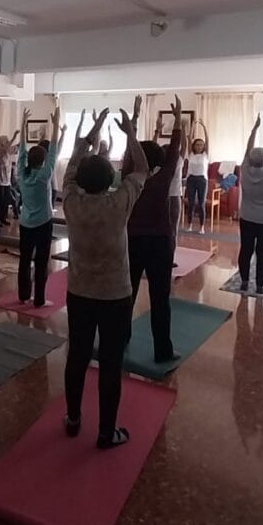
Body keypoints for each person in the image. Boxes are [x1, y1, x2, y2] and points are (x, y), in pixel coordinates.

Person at [62, 101, 148, 449]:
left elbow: (71, 163)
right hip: (114, 295)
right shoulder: (120, 202)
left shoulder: (70, 200)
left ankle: (73, 418)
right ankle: (105, 431)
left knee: (78, 356)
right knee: (111, 363)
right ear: (110, 179)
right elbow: (142, 168)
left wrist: (93, 130)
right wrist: (131, 134)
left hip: (79, 292)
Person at [127, 96, 184, 363]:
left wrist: (135, 120)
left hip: (132, 242)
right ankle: (162, 350)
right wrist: (177, 122)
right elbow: (174, 152)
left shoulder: (130, 179)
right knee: (160, 299)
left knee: (126, 294)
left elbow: (130, 152)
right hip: (158, 244)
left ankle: (120, 340)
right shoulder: (162, 180)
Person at [14, 106, 62, 307]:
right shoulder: (44, 176)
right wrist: (56, 123)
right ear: (43, 161)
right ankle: (39, 299)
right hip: (42, 224)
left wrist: (23, 124)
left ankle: (24, 296)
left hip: (25, 223)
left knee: (25, 259)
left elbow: (22, 152)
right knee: (41, 262)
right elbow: (53, 151)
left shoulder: (21, 175)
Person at [236, 114, 263, 294]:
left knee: (245, 250)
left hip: (247, 217)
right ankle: (260, 285)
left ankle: (244, 282)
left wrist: (254, 129)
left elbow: (247, 150)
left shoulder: (244, 169)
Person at [0, 127, 20, 227]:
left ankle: (3, 218)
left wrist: (21, 140)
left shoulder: (7, 150)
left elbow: (14, 149)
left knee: (6, 200)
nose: (7, 142)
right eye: (5, 140)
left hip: (7, 181)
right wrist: (14, 137)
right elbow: (5, 150)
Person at [184, 123, 209, 234]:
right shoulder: (190, 154)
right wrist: (193, 126)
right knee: (191, 203)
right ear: (194, 146)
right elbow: (189, 138)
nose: (199, 146)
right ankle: (189, 225)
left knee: (201, 203)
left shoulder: (205, 155)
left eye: (201, 145)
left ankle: (202, 227)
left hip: (202, 180)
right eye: (197, 145)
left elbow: (208, 140)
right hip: (191, 180)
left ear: (203, 146)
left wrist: (204, 127)